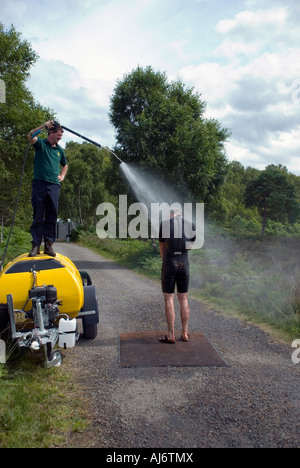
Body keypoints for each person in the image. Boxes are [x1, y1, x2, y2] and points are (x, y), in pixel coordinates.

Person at [27, 120, 68, 257]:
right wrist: (44, 126)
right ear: (51, 133)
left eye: (61, 136)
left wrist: (62, 175)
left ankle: (49, 245)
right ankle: (36, 245)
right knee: (38, 215)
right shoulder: (41, 144)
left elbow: (65, 165)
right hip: (39, 184)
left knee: (52, 215)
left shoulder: (59, 150)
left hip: (54, 186)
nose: (59, 138)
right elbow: (30, 136)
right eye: (58, 135)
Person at [159, 209, 195, 344]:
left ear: (171, 214)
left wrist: (165, 261)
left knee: (169, 298)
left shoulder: (165, 224)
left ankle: (171, 335)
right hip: (184, 263)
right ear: (182, 215)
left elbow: (162, 245)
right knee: (183, 297)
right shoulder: (191, 225)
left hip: (170, 263)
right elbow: (190, 246)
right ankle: (185, 334)